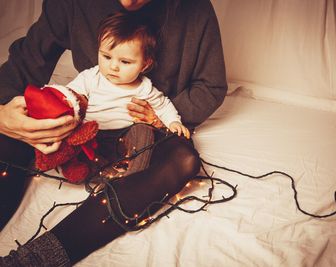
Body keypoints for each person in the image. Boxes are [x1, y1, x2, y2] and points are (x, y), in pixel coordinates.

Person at [0, 0, 226, 265]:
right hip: (88, 126)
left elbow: (210, 86)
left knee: (184, 158)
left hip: (144, 133)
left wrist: (161, 121)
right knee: (15, 119)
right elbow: (23, 67)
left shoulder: (194, 9)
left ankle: (37, 259)